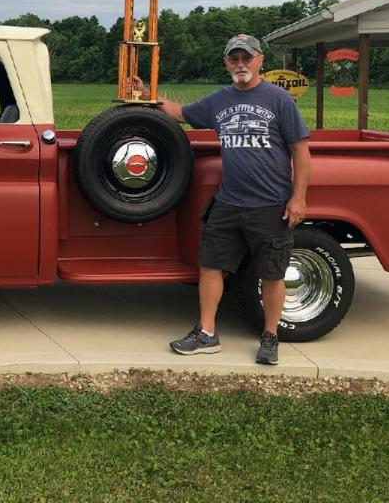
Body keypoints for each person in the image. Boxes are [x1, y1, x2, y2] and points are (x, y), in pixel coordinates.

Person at [131, 33, 311, 365]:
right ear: (227, 63)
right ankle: (207, 333)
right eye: (234, 59)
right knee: (211, 266)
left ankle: (271, 337)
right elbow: (180, 112)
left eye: (246, 58)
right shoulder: (219, 100)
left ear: (260, 61)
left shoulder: (279, 99)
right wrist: (146, 95)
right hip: (228, 202)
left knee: (272, 273)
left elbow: (300, 149)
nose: (240, 64)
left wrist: (298, 198)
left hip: (271, 204)